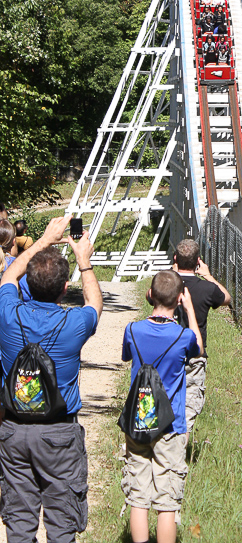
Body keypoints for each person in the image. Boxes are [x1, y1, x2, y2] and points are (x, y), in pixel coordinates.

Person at [0, 214, 102, 543]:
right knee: (61, 522)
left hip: (13, 431)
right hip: (59, 432)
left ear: (27, 284)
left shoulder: (8, 314)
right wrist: (83, 260)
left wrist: (44, 240)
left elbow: (8, 277)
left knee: (18, 520)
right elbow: (95, 303)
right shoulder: (75, 324)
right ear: (64, 289)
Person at [121, 270, 202, 543]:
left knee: (138, 497)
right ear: (180, 299)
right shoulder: (183, 337)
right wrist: (189, 311)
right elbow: (198, 350)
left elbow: (126, 355)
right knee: (167, 500)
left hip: (138, 421)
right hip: (171, 424)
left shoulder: (132, 330)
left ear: (149, 295)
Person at [172, 240, 230, 435]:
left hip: (168, 350)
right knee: (188, 408)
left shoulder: (166, 285)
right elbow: (226, 298)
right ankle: (179, 446)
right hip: (195, 352)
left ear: (175, 259)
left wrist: (170, 274)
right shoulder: (206, 289)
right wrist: (207, 275)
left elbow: (150, 294)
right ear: (198, 261)